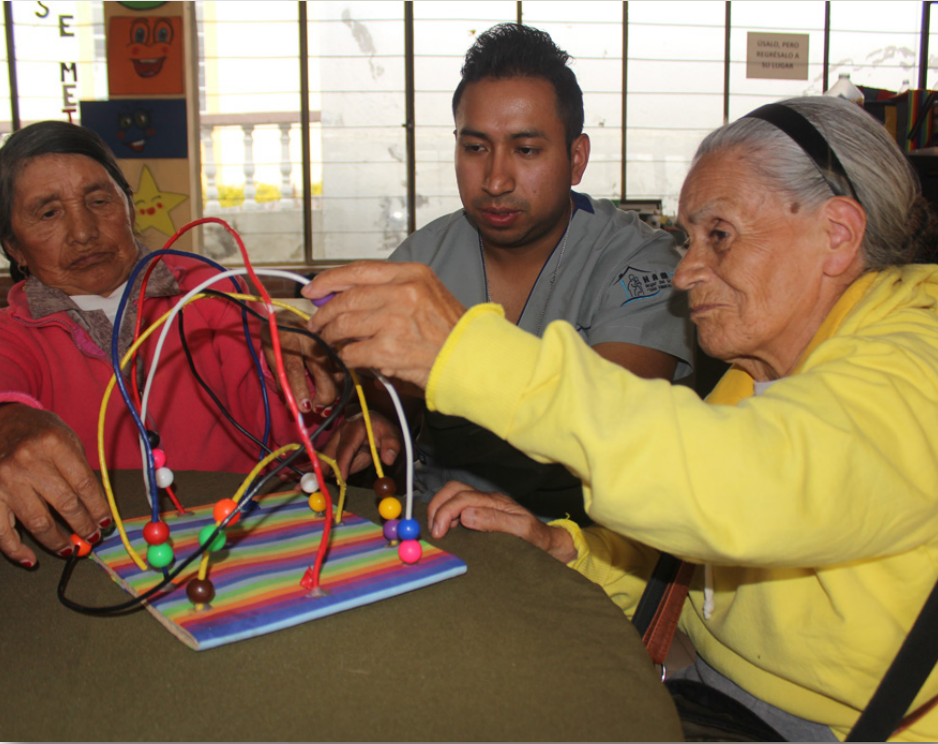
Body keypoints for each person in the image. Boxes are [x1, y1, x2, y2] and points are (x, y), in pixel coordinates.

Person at [303, 95, 938, 741]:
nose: (685, 273)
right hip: (712, 694)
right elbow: (689, 559)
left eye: (719, 235)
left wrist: (464, 353)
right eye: (689, 240)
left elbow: (743, 489)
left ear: (837, 234)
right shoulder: (756, 375)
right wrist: (567, 550)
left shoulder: (918, 365)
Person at [325, 24, 693, 520]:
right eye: (476, 148)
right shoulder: (421, 259)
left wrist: (453, 358)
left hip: (576, 533)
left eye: (526, 150)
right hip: (433, 518)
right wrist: (379, 419)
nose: (496, 181)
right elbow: (388, 400)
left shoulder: (638, 265)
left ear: (576, 158)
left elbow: (615, 422)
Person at [0, 121, 328, 569]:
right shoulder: (14, 333)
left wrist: (306, 368)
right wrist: (8, 419)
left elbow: (295, 438)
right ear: (14, 247)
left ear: (129, 209)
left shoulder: (210, 294)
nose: (83, 232)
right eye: (48, 213)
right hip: (99, 564)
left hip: (241, 543)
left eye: (99, 201)